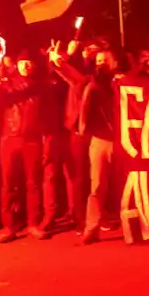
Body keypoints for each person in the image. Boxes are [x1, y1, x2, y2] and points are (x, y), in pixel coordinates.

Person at [48, 42, 119, 245]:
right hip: (100, 141)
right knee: (97, 186)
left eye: (105, 61)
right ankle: (92, 229)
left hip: (124, 142)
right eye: (98, 61)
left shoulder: (124, 83)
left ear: (114, 63)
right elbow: (73, 78)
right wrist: (59, 64)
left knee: (128, 186)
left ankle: (137, 223)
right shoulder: (89, 83)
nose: (101, 64)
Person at [0, 51, 54, 242]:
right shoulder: (7, 84)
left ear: (35, 66)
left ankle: (33, 224)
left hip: (32, 140)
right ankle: (9, 226)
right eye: (22, 63)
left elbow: (48, 117)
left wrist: (47, 141)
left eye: (29, 63)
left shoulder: (43, 86)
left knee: (33, 183)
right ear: (17, 66)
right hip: (9, 138)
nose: (25, 66)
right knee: (8, 184)